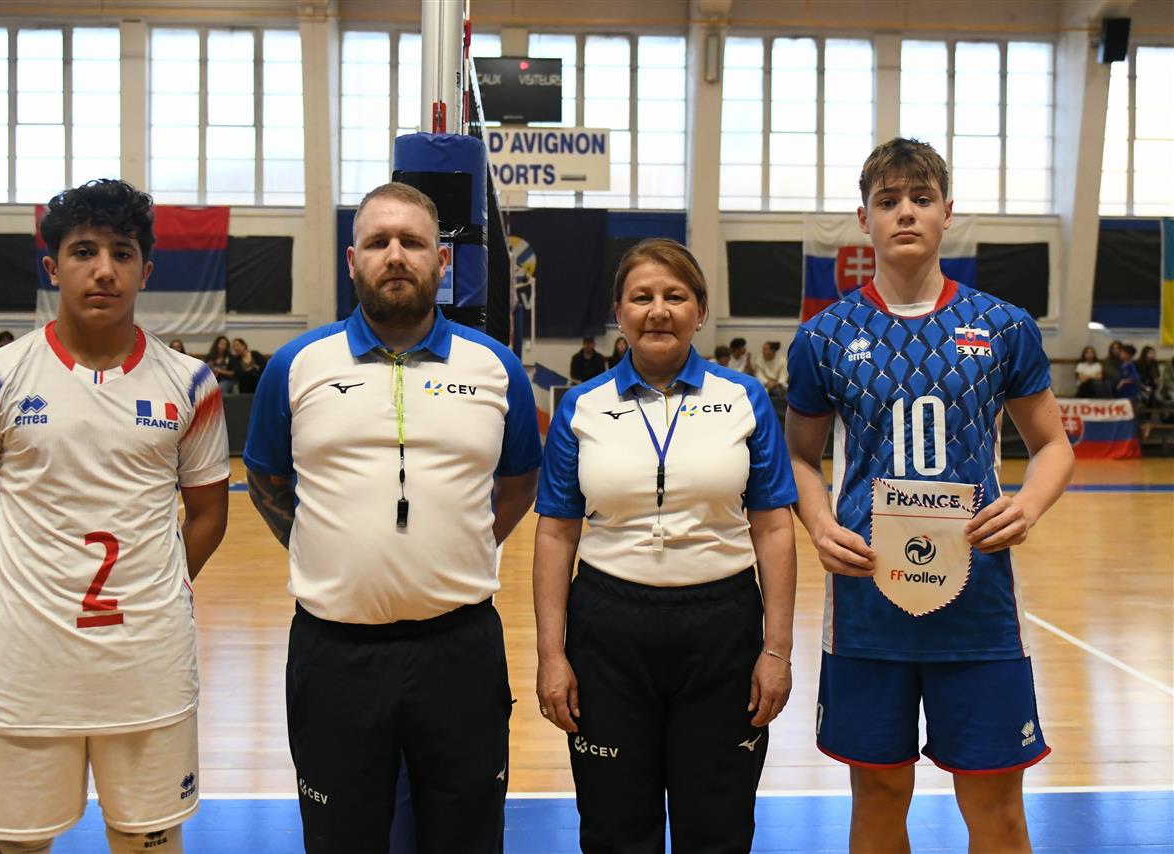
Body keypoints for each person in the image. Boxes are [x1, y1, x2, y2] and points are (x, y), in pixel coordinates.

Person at [785, 138, 1074, 854]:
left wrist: (1029, 505)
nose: (905, 213)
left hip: (979, 604)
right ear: (864, 219)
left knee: (996, 808)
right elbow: (798, 455)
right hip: (867, 601)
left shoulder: (1004, 326)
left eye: (921, 198)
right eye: (888, 201)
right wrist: (818, 523)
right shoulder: (824, 336)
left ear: (948, 212)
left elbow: (1053, 445)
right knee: (879, 799)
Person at [242, 181, 541, 853]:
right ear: (353, 262)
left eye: (413, 242)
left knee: (467, 840)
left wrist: (466, 540)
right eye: (378, 242)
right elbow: (266, 479)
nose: (396, 255)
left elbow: (519, 481)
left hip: (460, 651)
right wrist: (323, 546)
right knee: (340, 840)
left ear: (442, 260)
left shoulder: (496, 368)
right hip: (334, 655)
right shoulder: (296, 365)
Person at [0, 179, 230, 854]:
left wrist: (159, 589)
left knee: (147, 839)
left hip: (149, 664)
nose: (104, 270)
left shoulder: (191, 383)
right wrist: (20, 596)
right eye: (84, 251)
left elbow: (209, 514)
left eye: (122, 253)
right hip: (27, 665)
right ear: (53, 267)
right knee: (11, 843)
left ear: (145, 271)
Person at [534, 238, 798, 853]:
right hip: (608, 631)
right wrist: (551, 654)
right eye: (641, 297)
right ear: (619, 314)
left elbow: (774, 528)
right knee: (614, 826)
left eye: (675, 296)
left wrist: (778, 650)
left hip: (722, 629)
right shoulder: (581, 407)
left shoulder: (744, 399)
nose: (658, 310)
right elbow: (555, 533)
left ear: (699, 311)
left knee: (718, 825)